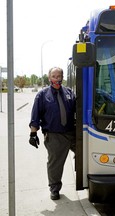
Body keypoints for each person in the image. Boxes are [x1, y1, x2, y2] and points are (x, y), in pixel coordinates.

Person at [29, 67, 76, 200]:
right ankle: (54, 189)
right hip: (54, 135)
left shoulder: (69, 92)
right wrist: (33, 134)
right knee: (55, 163)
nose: (57, 79)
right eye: (54, 76)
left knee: (86, 153)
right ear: (49, 78)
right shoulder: (42, 95)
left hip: (71, 133)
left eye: (59, 76)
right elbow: (35, 115)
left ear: (62, 77)